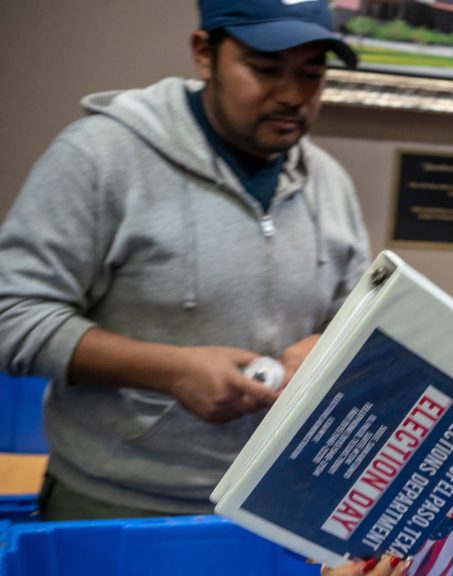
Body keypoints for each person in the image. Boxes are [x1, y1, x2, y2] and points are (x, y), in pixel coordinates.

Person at [0, 0, 369, 520]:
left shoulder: (330, 182)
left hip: (277, 505)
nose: (292, 96)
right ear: (204, 53)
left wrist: (320, 348)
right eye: (265, 70)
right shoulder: (99, 156)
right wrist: (170, 371)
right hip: (117, 505)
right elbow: (11, 316)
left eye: (312, 74)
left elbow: (357, 318)